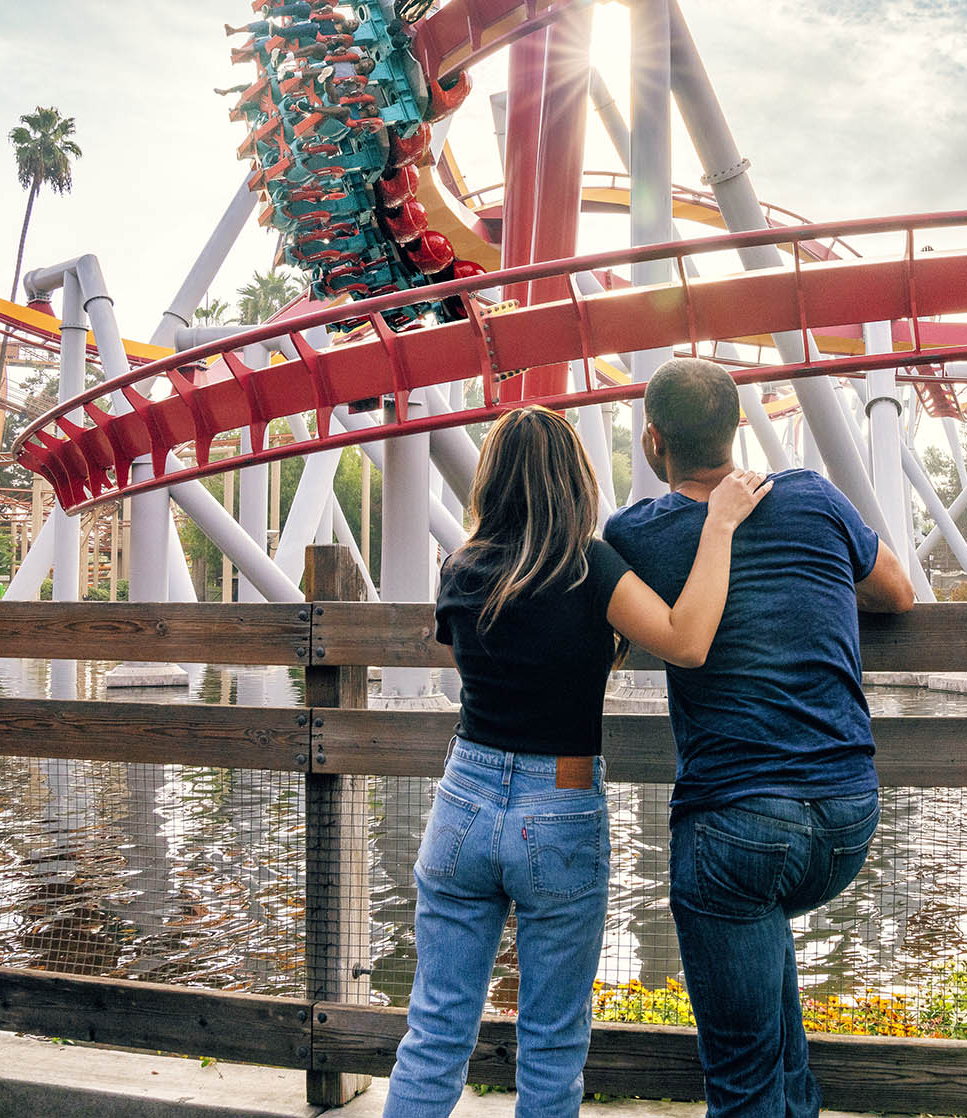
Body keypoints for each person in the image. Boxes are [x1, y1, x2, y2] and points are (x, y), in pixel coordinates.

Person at [382, 405, 773, 1118]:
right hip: (557, 805)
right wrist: (718, 525)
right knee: (553, 1045)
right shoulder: (589, 565)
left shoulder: (460, 566)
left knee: (435, 1032)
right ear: (573, 481)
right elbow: (686, 642)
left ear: (493, 482)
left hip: (463, 800)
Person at [604, 358, 916, 1118]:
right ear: (739, 428)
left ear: (653, 442)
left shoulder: (635, 534)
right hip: (847, 817)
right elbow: (898, 595)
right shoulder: (813, 495)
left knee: (742, 1081)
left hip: (737, 828)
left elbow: (607, 633)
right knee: (782, 1049)